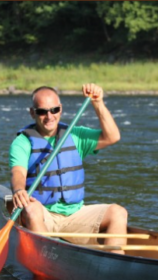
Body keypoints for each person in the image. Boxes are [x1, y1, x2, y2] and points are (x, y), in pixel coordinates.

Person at [10, 83, 128, 254]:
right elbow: (18, 171)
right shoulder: (22, 142)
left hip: (75, 214)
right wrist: (19, 190)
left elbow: (112, 136)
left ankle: (115, 268)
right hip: (44, 214)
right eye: (42, 111)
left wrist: (98, 103)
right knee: (32, 208)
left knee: (118, 212)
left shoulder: (75, 135)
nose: (49, 116)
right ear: (32, 113)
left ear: (61, 109)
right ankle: (44, 261)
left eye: (54, 110)